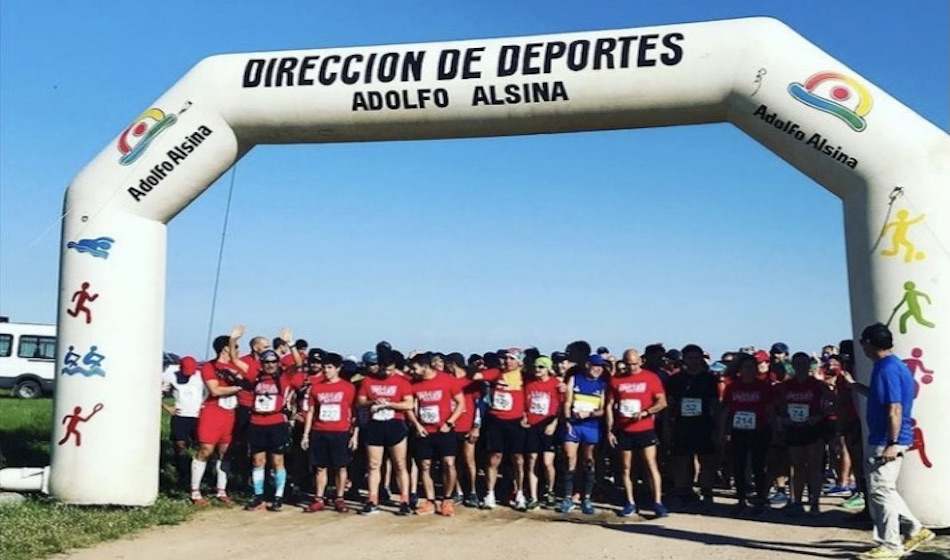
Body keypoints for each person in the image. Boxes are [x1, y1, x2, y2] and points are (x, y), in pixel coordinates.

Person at [843, 323, 934, 559]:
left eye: (863, 342)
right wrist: (856, 386)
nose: (861, 346)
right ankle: (915, 529)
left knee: (880, 492)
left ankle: (890, 545)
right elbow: (881, 397)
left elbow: (895, 407)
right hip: (886, 438)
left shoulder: (887, 368)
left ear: (869, 343)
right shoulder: (892, 366)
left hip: (886, 439)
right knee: (884, 490)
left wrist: (892, 442)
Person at [190, 326, 250, 506]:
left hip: (231, 412)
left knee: (225, 452)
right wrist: (238, 388)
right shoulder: (209, 366)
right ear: (225, 348)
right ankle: (195, 491)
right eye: (235, 347)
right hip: (213, 411)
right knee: (206, 450)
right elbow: (215, 390)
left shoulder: (238, 366)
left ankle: (221, 489)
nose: (237, 351)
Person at [606, 349, 669, 518]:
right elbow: (609, 406)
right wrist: (610, 430)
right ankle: (630, 502)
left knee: (650, 464)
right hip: (624, 429)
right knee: (626, 468)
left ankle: (657, 502)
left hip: (645, 428)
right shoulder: (616, 380)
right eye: (628, 364)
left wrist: (646, 412)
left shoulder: (651, 377)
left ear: (640, 361)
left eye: (634, 363)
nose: (631, 367)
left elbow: (662, 402)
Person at [775, 351, 832, 516]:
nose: (800, 367)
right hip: (794, 428)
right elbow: (779, 405)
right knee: (797, 467)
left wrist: (820, 416)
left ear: (809, 365)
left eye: (803, 363)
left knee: (814, 467)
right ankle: (797, 501)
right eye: (797, 364)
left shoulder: (818, 385)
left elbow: (833, 402)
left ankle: (815, 502)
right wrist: (783, 419)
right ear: (792, 365)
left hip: (814, 429)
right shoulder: (785, 386)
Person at [407, 353, 465, 516]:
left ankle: (447, 499)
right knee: (424, 466)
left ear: (425, 367)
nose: (412, 371)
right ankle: (430, 501)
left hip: (444, 430)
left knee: (449, 463)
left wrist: (450, 422)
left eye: (414, 368)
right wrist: (417, 425)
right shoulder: (414, 384)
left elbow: (461, 402)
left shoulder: (447, 380)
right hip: (424, 431)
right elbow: (409, 407)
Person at [357, 354, 414, 515]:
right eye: (385, 369)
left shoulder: (402, 382)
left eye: (391, 369)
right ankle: (372, 499)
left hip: (395, 423)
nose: (388, 372)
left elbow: (409, 403)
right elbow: (360, 402)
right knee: (374, 465)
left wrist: (390, 404)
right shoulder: (368, 381)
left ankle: (404, 501)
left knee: (400, 465)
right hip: (374, 424)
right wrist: (373, 402)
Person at [301, 352, 358, 513]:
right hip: (320, 431)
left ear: (338, 368)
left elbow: (354, 412)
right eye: (324, 367)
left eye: (330, 367)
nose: (326, 370)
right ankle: (319, 498)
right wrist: (306, 434)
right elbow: (311, 411)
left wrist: (355, 434)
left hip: (340, 432)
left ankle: (339, 498)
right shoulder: (316, 388)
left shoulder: (348, 387)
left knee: (341, 466)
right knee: (320, 467)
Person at [665, 344, 719, 512]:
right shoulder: (675, 379)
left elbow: (714, 403)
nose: (694, 361)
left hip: (704, 424)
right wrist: (668, 425)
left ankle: (707, 493)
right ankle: (684, 493)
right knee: (682, 460)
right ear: (684, 359)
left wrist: (717, 426)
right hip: (682, 424)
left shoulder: (709, 379)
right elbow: (669, 404)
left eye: (697, 358)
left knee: (707, 461)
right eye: (690, 358)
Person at [721, 353, 774, 516]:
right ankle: (741, 499)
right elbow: (726, 410)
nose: (749, 370)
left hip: (760, 430)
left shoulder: (764, 387)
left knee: (759, 466)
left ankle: (761, 497)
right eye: (745, 367)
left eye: (752, 367)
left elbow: (770, 409)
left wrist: (774, 428)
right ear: (740, 370)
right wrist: (723, 430)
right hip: (739, 431)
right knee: (739, 465)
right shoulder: (732, 387)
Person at [244, 349, 294, 511]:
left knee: (277, 462)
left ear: (278, 363)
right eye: (267, 362)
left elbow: (298, 364)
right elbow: (238, 364)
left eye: (273, 362)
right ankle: (258, 497)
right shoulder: (256, 377)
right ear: (262, 363)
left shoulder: (283, 377)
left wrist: (290, 344)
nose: (270, 365)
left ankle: (278, 497)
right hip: (256, 422)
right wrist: (232, 342)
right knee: (257, 461)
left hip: (276, 423)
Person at [478, 348, 528, 510]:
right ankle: (489, 494)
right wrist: (477, 368)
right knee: (494, 457)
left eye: (511, 359)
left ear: (519, 362)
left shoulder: (525, 377)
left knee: (518, 460)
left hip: (516, 422)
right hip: (496, 421)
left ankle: (519, 493)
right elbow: (476, 376)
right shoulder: (496, 373)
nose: (507, 361)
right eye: (506, 358)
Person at [558, 354, 608, 515]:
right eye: (595, 366)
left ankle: (586, 497)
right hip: (573, 425)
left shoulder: (602, 384)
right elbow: (567, 402)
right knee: (569, 458)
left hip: (591, 425)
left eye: (601, 366)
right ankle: (567, 497)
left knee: (588, 460)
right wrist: (567, 421)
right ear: (587, 365)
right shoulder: (575, 379)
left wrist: (589, 414)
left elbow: (603, 410)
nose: (598, 369)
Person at [523, 355, 561, 510]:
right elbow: (524, 402)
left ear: (547, 369)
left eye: (541, 367)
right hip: (532, 425)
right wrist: (524, 416)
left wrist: (554, 423)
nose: (537, 370)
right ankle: (533, 496)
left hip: (548, 425)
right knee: (532, 459)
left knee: (547, 462)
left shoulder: (555, 384)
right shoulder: (529, 383)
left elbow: (562, 406)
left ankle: (550, 491)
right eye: (536, 367)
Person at [162, 355, 204, 491]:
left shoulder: (200, 376)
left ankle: (198, 476)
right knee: (179, 445)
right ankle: (183, 475)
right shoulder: (170, 375)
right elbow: (156, 391)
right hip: (180, 416)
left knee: (201, 447)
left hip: (198, 416)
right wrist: (167, 407)